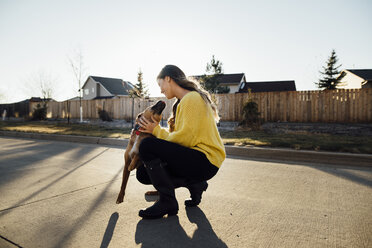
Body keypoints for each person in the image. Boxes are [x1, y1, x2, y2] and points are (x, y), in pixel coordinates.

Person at [137, 65, 226, 219]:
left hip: (205, 160)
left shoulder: (192, 98)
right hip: (195, 160)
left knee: (147, 146)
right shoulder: (182, 102)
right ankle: (194, 183)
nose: (160, 90)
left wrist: (156, 131)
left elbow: (185, 138)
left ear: (168, 78)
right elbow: (177, 140)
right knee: (143, 173)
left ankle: (167, 202)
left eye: (160, 85)